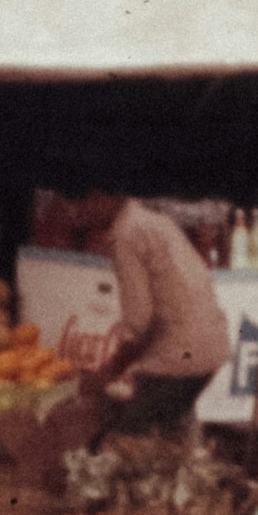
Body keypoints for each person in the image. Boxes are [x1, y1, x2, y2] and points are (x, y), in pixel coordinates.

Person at [76, 188, 236, 440]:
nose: (78, 212)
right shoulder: (150, 220)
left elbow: (138, 321)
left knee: (125, 438)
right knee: (171, 427)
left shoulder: (125, 233)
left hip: (180, 354)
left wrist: (110, 370)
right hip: (210, 348)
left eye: (82, 202)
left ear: (103, 198)